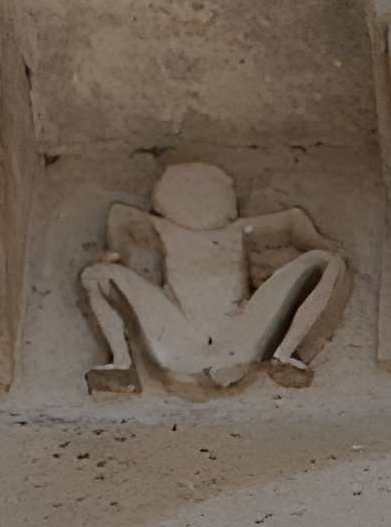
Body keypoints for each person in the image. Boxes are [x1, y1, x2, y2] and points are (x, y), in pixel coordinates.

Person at [82, 161, 346, 394]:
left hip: (240, 339)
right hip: (178, 341)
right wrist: (115, 252)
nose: (201, 199)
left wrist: (320, 243)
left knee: (325, 260)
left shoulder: (237, 229)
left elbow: (292, 221)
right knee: (96, 274)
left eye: (207, 189)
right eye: (191, 190)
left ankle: (284, 356)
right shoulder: (164, 227)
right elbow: (121, 215)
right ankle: (122, 364)